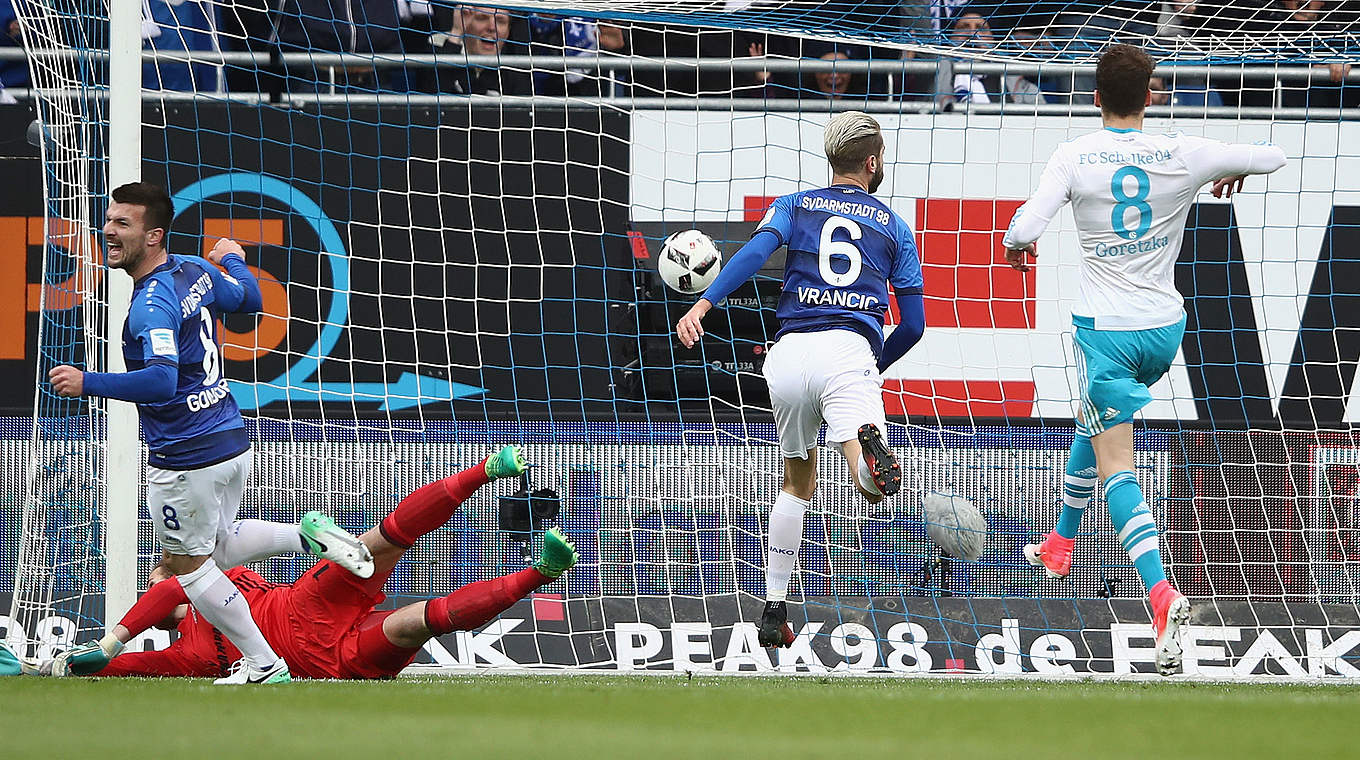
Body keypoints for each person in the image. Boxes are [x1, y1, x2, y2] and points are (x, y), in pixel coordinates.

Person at [1001, 44, 1287, 676]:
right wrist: (1232, 173)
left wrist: (1018, 246)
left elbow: (1024, 228)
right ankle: (1059, 542)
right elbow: (1275, 154)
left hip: (1106, 332)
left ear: (1095, 96)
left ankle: (1162, 598)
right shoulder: (1184, 153)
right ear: (1151, 95)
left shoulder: (1074, 155)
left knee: (1118, 470)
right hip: (1165, 328)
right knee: (1097, 419)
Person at [47, 182, 375, 684]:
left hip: (185, 456)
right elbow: (248, 298)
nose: (108, 231)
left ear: (154, 235)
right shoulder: (196, 271)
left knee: (188, 568)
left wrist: (86, 381)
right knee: (216, 547)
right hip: (229, 437)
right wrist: (235, 259)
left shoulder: (150, 305)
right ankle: (303, 536)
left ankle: (264, 664)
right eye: (109, 219)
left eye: (122, 224)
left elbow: (160, 380)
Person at [675, 111, 926, 649]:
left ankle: (773, 606)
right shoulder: (895, 227)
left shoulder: (794, 205)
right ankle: (869, 456)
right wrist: (869, 364)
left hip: (787, 354)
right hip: (848, 349)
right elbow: (915, 325)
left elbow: (755, 253)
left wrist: (704, 303)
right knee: (870, 488)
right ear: (874, 161)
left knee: (796, 482)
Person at [33, 446, 575, 681]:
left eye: (166, 564)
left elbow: (172, 588)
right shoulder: (183, 653)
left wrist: (115, 636)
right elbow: (118, 663)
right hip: (329, 661)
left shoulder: (207, 579)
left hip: (303, 604)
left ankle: (485, 470)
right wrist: (64, 663)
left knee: (382, 539)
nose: (164, 569)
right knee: (418, 622)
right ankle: (540, 573)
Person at [424, 5, 532, 96]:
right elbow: (432, 101)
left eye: (500, 21)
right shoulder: (436, 49)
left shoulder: (516, 72)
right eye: (482, 18)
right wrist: (456, 32)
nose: (492, 27)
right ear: (464, 23)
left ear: (508, 31)